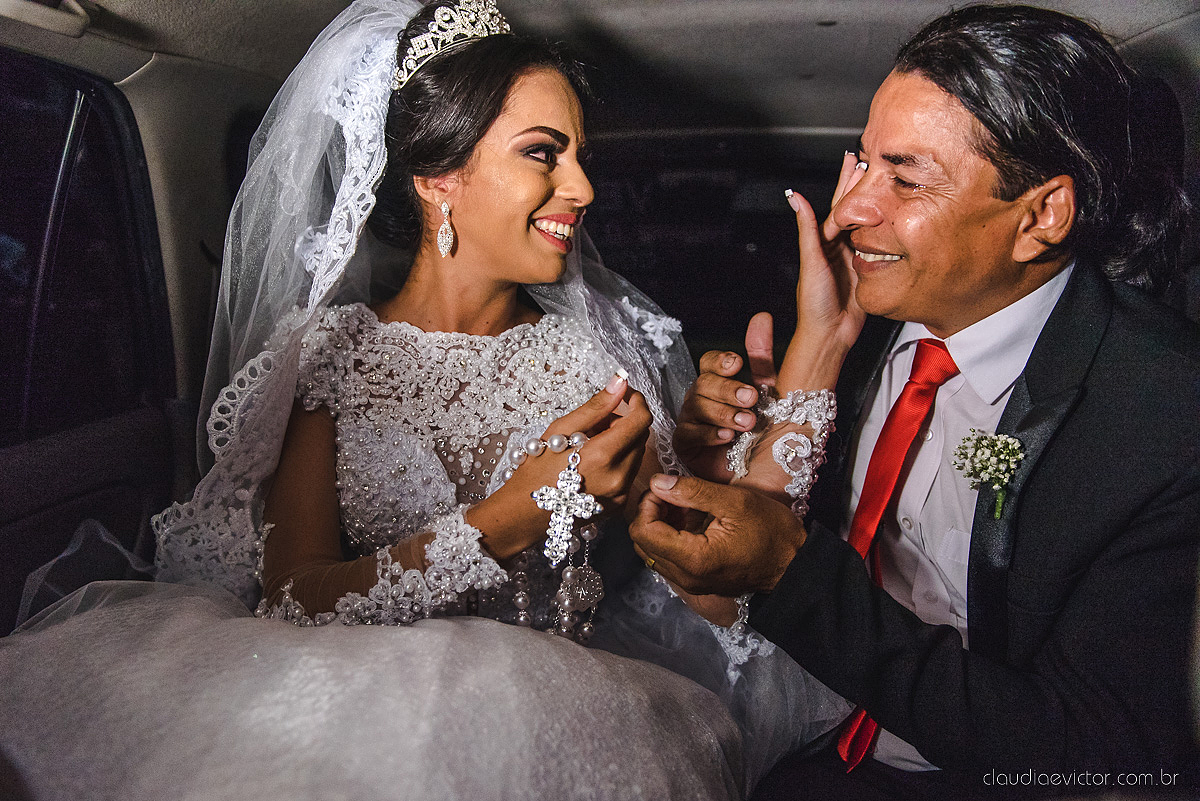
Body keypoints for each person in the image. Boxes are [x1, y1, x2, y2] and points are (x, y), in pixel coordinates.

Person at [1, 1, 847, 798]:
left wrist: (708, 469)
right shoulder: (329, 357)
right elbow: (291, 598)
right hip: (331, 705)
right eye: (545, 153)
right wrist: (517, 511)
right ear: (439, 177)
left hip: (553, 713)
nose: (584, 188)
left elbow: (708, 595)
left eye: (581, 157)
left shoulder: (601, 361)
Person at [632, 5, 1200, 798]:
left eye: (905, 177)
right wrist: (760, 451)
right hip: (795, 744)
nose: (853, 207)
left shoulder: (1164, 413)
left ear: (1042, 214)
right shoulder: (843, 319)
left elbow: (1100, 745)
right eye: (860, 161)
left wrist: (792, 572)